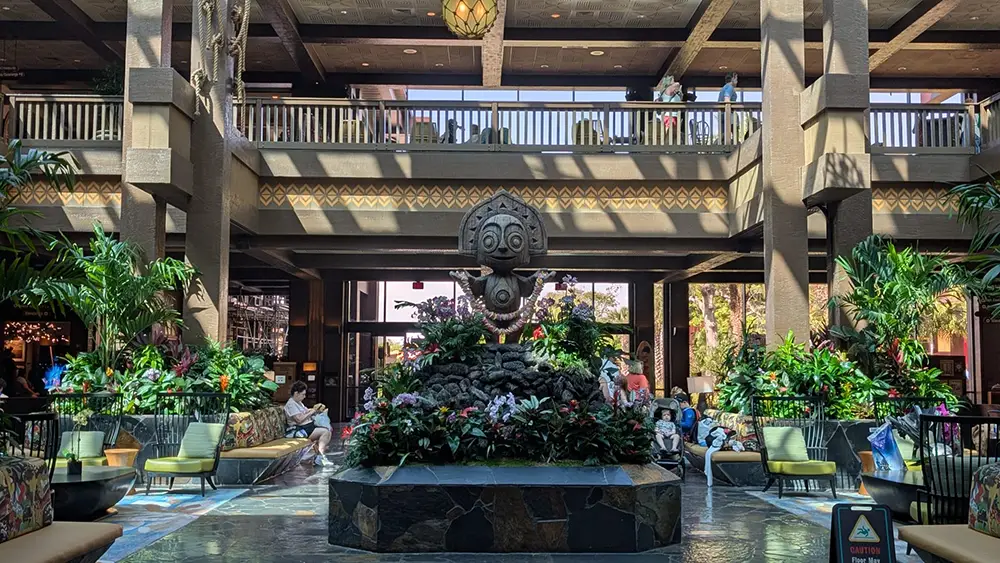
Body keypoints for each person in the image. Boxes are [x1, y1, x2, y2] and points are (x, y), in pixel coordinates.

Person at [284, 381, 333, 466]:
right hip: (299, 430)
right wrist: (312, 411)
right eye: (303, 394)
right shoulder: (291, 404)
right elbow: (299, 419)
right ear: (296, 393)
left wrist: (315, 410)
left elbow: (305, 412)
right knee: (325, 432)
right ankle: (320, 457)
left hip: (306, 427)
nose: (304, 396)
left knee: (327, 430)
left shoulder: (298, 403)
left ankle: (319, 457)